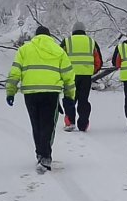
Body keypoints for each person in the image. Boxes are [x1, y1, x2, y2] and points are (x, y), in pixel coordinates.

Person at [6, 25, 76, 173]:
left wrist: (11, 91)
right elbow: (68, 76)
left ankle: (40, 153)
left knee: (36, 124)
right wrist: (69, 96)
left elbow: (15, 72)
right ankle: (45, 156)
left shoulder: (24, 50)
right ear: (49, 36)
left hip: (30, 93)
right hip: (51, 93)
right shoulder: (59, 51)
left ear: (35, 36)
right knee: (48, 125)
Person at [60, 22, 103, 132]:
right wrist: (91, 71)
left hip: (69, 76)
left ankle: (70, 122)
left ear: (73, 31)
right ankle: (83, 124)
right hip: (85, 77)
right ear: (84, 31)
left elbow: (59, 58)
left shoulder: (67, 41)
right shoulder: (91, 42)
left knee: (69, 99)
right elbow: (98, 61)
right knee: (83, 100)